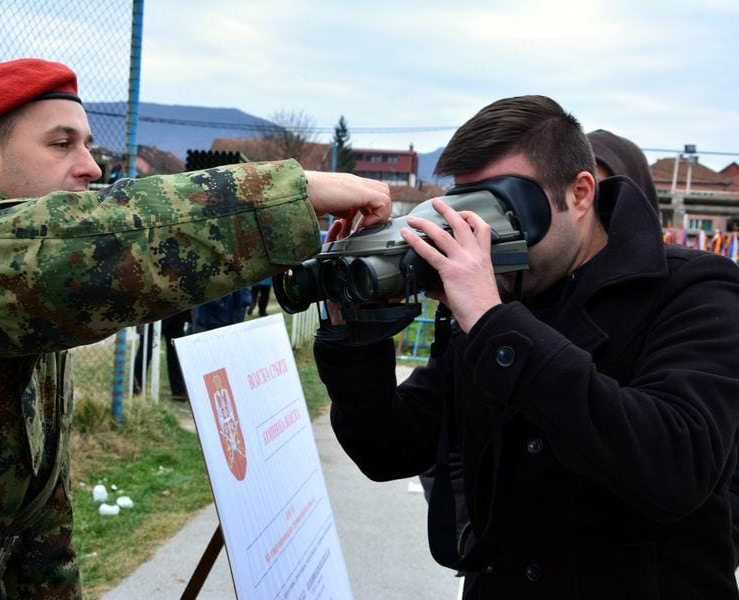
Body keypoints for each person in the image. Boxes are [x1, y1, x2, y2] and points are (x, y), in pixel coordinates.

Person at [0, 58, 390, 598]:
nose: (90, 167)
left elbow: (40, 515)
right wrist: (293, 194)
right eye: (62, 145)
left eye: (87, 144)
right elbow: (107, 238)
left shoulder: (24, 297)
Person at [314, 95, 739, 598]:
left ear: (581, 192)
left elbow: (676, 465)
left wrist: (495, 323)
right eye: (468, 209)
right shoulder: (499, 295)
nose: (485, 238)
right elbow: (388, 448)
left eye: (503, 208)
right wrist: (357, 334)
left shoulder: (698, 290)